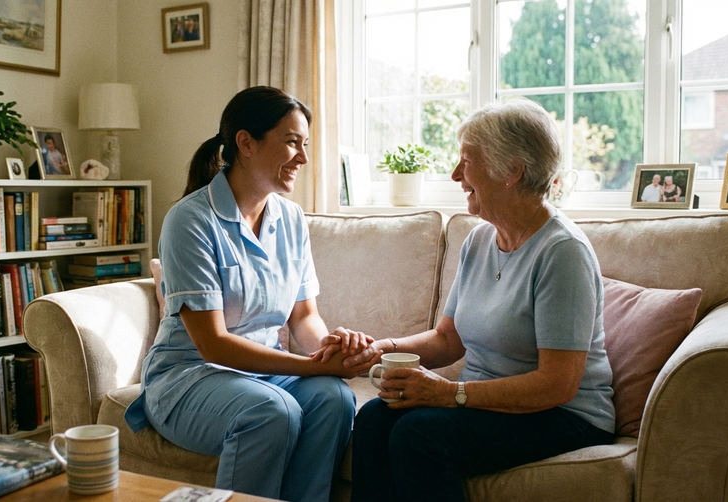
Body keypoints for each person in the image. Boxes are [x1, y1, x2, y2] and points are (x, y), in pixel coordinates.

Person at [345, 98, 616, 502]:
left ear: (512, 171)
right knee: (375, 416)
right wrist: (380, 349)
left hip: (565, 415)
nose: (456, 174)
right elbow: (447, 340)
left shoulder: (563, 252)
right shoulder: (479, 240)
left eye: (467, 161)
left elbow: (558, 384)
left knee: (419, 435)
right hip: (487, 403)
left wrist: (450, 394)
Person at [123, 86, 377, 502]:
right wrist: (312, 366)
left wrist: (330, 351)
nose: (303, 158)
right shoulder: (190, 220)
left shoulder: (291, 218)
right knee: (271, 410)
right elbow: (213, 344)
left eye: (305, 144)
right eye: (292, 142)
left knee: (334, 398)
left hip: (262, 376)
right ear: (246, 143)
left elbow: (303, 317)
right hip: (189, 377)